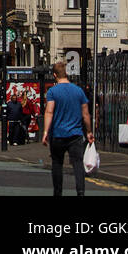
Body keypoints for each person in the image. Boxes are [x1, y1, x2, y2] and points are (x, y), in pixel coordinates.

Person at [42, 60, 94, 197]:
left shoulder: (52, 91)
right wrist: (89, 132)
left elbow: (49, 112)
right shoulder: (78, 91)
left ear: (54, 75)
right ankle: (81, 193)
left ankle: (57, 192)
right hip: (75, 135)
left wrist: (46, 131)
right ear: (66, 74)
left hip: (58, 134)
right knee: (78, 164)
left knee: (57, 163)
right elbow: (86, 114)